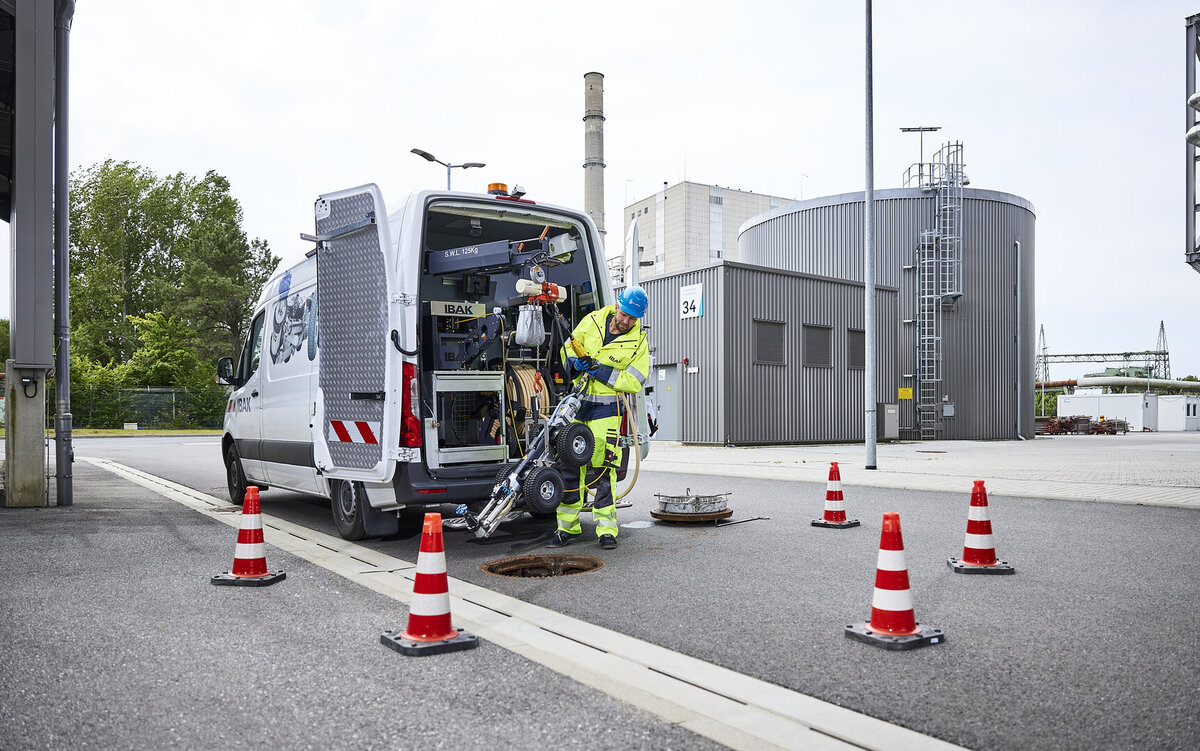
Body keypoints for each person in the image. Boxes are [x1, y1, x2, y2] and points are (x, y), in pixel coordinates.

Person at [547, 286, 650, 550]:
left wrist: (600, 371)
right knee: (570, 466)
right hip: (578, 404)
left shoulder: (638, 342)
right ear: (618, 306)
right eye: (625, 314)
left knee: (605, 470)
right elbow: (568, 349)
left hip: (607, 408)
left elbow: (635, 381)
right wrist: (574, 364)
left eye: (633, 318)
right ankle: (566, 528)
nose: (626, 321)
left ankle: (606, 530)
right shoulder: (591, 320)